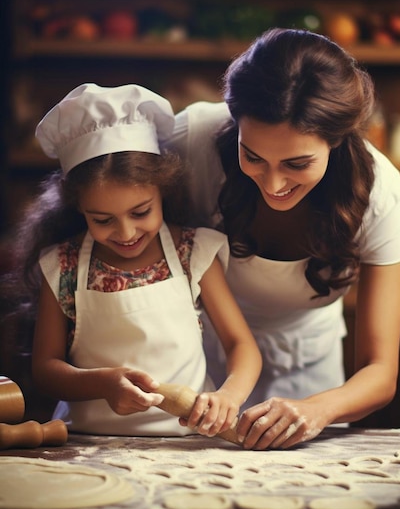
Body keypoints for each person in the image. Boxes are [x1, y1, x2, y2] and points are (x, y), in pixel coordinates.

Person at [164, 28, 400, 450]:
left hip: (311, 373)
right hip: (195, 361)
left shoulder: (381, 195)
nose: (273, 182)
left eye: (297, 163)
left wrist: (317, 409)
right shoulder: (192, 139)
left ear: (336, 140)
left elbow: (379, 371)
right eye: (253, 156)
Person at [12, 83, 262, 437]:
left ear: (162, 189)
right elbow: (46, 368)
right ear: (78, 207)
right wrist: (105, 383)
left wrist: (228, 397)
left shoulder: (192, 252)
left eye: (141, 212)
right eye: (102, 219)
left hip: (185, 444)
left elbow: (242, 345)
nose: (126, 232)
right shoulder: (62, 265)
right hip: (90, 442)